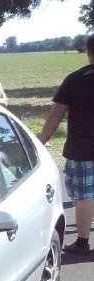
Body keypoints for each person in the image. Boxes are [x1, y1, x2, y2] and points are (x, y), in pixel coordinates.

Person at [39, 35, 94, 255]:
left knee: (85, 196)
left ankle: (82, 242)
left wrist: (41, 142)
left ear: (89, 52)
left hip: (82, 149)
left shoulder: (76, 78)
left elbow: (56, 114)